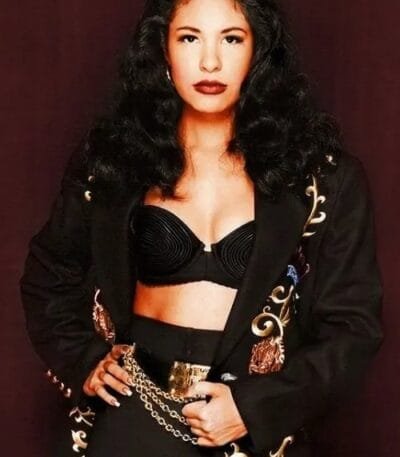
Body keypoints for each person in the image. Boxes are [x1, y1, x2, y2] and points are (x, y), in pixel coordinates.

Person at [20, 0, 383, 456]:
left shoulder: (322, 177)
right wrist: (83, 359)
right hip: (133, 414)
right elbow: (49, 272)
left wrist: (253, 408)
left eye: (231, 38)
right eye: (189, 37)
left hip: (247, 425)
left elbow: (353, 327)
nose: (210, 61)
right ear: (163, 50)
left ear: (258, 51)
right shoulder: (115, 160)